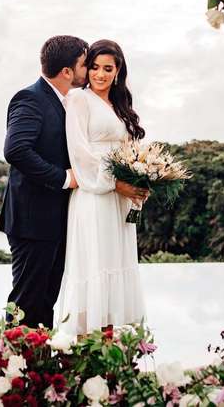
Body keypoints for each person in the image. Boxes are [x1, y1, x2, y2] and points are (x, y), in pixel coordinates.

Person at [55, 39, 149, 336]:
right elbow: (79, 152)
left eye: (107, 68)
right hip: (95, 195)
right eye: (94, 67)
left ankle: (111, 340)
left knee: (116, 262)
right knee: (95, 263)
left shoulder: (121, 105)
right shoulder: (79, 100)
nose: (99, 74)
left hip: (121, 200)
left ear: (118, 70)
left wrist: (140, 178)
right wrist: (114, 183)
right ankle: (87, 340)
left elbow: (130, 149)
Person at [0, 35, 88, 328]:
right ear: (67, 72)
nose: (89, 71)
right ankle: (13, 365)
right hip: (32, 220)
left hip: (53, 221)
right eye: (85, 64)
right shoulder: (31, 98)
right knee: (26, 302)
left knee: (45, 300)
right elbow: (16, 150)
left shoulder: (65, 102)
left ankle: (39, 366)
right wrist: (63, 178)